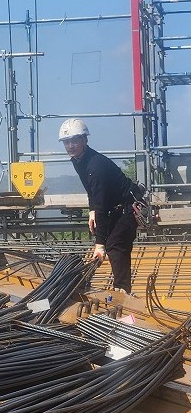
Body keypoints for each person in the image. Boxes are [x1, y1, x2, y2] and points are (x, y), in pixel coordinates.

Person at [59, 118, 141, 294]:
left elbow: (101, 205)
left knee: (115, 245)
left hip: (128, 206)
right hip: (114, 207)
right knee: (105, 236)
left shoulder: (95, 165)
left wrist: (100, 244)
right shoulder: (79, 159)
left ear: (84, 140)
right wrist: (91, 211)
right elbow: (91, 190)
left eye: (74, 141)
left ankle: (122, 290)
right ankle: (120, 287)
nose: (70, 146)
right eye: (66, 142)